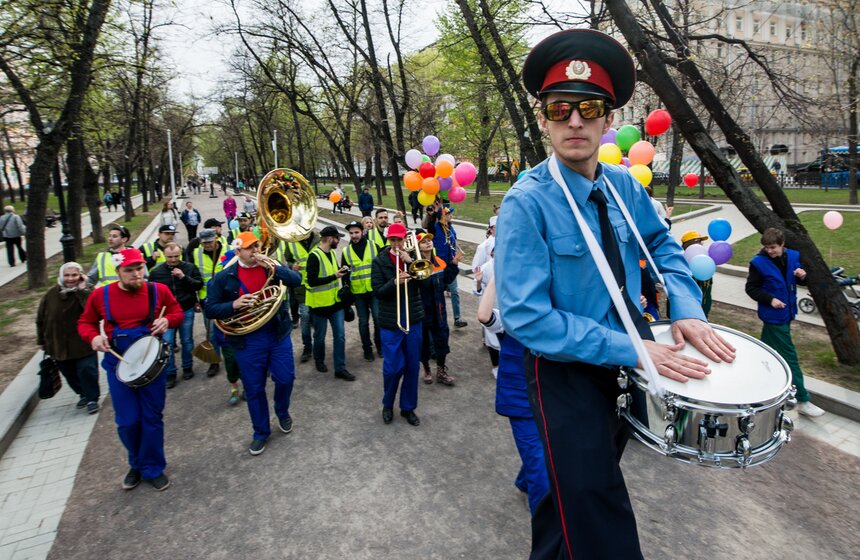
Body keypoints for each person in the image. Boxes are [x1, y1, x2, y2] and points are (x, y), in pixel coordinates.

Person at [496, 29, 736, 559]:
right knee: (598, 508)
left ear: (608, 121)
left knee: (568, 504)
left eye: (589, 108)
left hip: (626, 362)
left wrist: (687, 307)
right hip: (565, 372)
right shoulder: (526, 203)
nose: (575, 121)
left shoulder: (625, 185)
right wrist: (634, 349)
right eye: (561, 109)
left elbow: (662, 247)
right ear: (544, 120)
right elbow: (527, 318)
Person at [78, 248, 184, 491]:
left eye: (139, 268)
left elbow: (177, 311)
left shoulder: (158, 290)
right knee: (127, 421)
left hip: (152, 363)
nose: (136, 274)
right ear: (118, 272)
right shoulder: (101, 296)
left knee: (151, 418)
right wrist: (93, 337)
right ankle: (136, 463)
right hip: (118, 364)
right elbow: (85, 323)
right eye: (129, 270)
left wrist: (168, 320)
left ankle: (153, 468)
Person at [204, 232, 304, 455]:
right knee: (254, 388)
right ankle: (261, 432)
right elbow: (210, 308)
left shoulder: (270, 266)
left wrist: (276, 269)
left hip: (276, 334)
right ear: (238, 251)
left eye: (257, 246)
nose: (255, 251)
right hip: (247, 340)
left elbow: (297, 281)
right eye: (249, 248)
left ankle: (282, 411)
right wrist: (234, 305)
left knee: (286, 378)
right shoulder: (225, 276)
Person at [477, 276, 549, 515]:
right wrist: (497, 277)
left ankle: (523, 481)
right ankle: (547, 529)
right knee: (541, 468)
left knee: (543, 452)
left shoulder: (550, 316)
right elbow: (484, 316)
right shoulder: (510, 319)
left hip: (548, 395)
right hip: (520, 399)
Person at [745, 227, 825, 418]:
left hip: (787, 314)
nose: (769, 251)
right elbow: (751, 288)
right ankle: (803, 400)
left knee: (767, 355)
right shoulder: (758, 263)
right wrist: (769, 299)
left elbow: (801, 282)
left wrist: (802, 276)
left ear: (782, 244)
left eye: (772, 247)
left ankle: (757, 389)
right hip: (774, 317)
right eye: (766, 247)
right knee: (789, 357)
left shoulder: (793, 256)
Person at [371, 222, 427, 426]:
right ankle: (388, 404)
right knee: (393, 368)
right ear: (388, 240)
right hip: (390, 321)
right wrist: (395, 282)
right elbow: (377, 291)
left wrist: (411, 262)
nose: (396, 243)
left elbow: (426, 283)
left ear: (405, 240)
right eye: (392, 240)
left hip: (413, 319)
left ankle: (408, 407)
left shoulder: (413, 258)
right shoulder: (379, 261)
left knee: (413, 367)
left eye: (399, 239)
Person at [37, 262, 101, 414]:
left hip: (82, 343)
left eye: (74, 275)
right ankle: (82, 393)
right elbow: (41, 319)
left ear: (81, 276)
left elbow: (94, 311)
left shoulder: (86, 291)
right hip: (58, 345)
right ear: (61, 276)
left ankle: (92, 398)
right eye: (67, 275)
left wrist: (82, 291)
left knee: (87, 370)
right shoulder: (51, 294)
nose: (70, 279)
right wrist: (41, 340)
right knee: (69, 373)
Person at [149, 242, 203, 388]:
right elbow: (151, 294)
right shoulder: (156, 272)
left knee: (187, 341)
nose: (173, 260)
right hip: (166, 315)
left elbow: (198, 285)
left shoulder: (189, 267)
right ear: (164, 256)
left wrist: (183, 277)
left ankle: (187, 367)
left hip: (186, 309)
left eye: (176, 256)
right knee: (168, 343)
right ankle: (170, 372)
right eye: (169, 257)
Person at [305, 226, 354, 381]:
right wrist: (334, 276)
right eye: (337, 238)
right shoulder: (314, 256)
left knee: (339, 336)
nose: (339, 241)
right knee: (319, 337)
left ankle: (340, 368)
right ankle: (319, 360)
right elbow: (312, 282)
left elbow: (334, 272)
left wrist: (342, 270)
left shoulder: (332, 253)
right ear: (330, 238)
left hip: (335, 304)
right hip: (319, 306)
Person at [416, 230, 459, 385]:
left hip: (439, 309)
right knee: (424, 341)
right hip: (422, 309)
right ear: (418, 246)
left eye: (429, 240)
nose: (428, 242)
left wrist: (453, 265)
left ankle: (441, 370)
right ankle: (426, 368)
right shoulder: (416, 265)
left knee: (442, 339)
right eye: (424, 241)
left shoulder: (440, 262)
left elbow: (446, 280)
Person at [341, 221, 381, 362]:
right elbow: (345, 274)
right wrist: (347, 294)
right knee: (363, 322)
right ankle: (367, 349)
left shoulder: (373, 246)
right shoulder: (346, 251)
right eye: (351, 233)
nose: (353, 235)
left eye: (356, 232)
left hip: (374, 291)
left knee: (377, 318)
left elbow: (381, 267)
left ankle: (379, 345)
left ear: (363, 231)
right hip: (358, 293)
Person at [190, 229, 227, 379]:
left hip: (227, 298)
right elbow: (193, 277)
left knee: (231, 329)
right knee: (211, 332)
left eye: (209, 242)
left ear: (216, 239)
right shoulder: (195, 254)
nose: (207, 245)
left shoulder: (229, 249)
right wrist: (195, 300)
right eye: (204, 243)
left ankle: (234, 357)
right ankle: (214, 361)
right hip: (207, 300)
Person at [284, 229, 321, 362]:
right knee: (305, 316)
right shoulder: (291, 242)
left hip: (318, 286)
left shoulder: (319, 238)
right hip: (301, 286)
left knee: (318, 319)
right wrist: (291, 265)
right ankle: (307, 347)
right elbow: (287, 260)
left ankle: (318, 345)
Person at [431, 207, 467, 328]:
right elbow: (428, 224)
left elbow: (454, 241)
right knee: (438, 294)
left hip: (451, 265)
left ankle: (457, 318)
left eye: (450, 213)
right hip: (439, 266)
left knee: (455, 291)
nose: (450, 215)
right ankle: (439, 319)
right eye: (448, 213)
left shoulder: (450, 228)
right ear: (442, 216)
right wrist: (433, 214)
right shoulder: (435, 227)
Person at [679, 231, 713, 318]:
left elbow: (706, 290)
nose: (701, 245)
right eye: (698, 242)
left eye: (701, 242)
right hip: (684, 313)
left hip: (702, 312)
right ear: (688, 245)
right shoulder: (680, 264)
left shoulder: (704, 264)